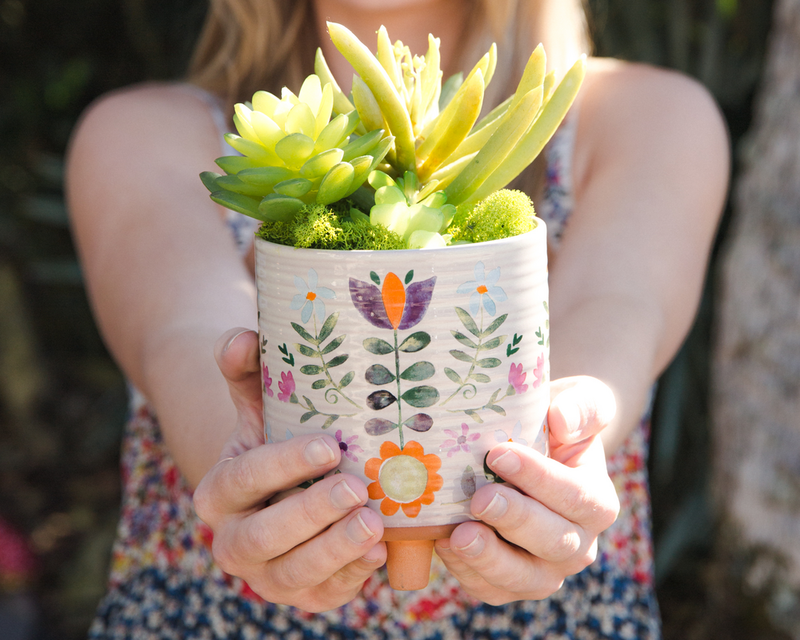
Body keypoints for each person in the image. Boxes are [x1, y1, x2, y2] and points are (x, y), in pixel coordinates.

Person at [65, 0, 729, 637]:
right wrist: (261, 486)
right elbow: (184, 335)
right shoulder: (141, 135)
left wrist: (555, 457)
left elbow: (615, 312)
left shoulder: (651, 120)